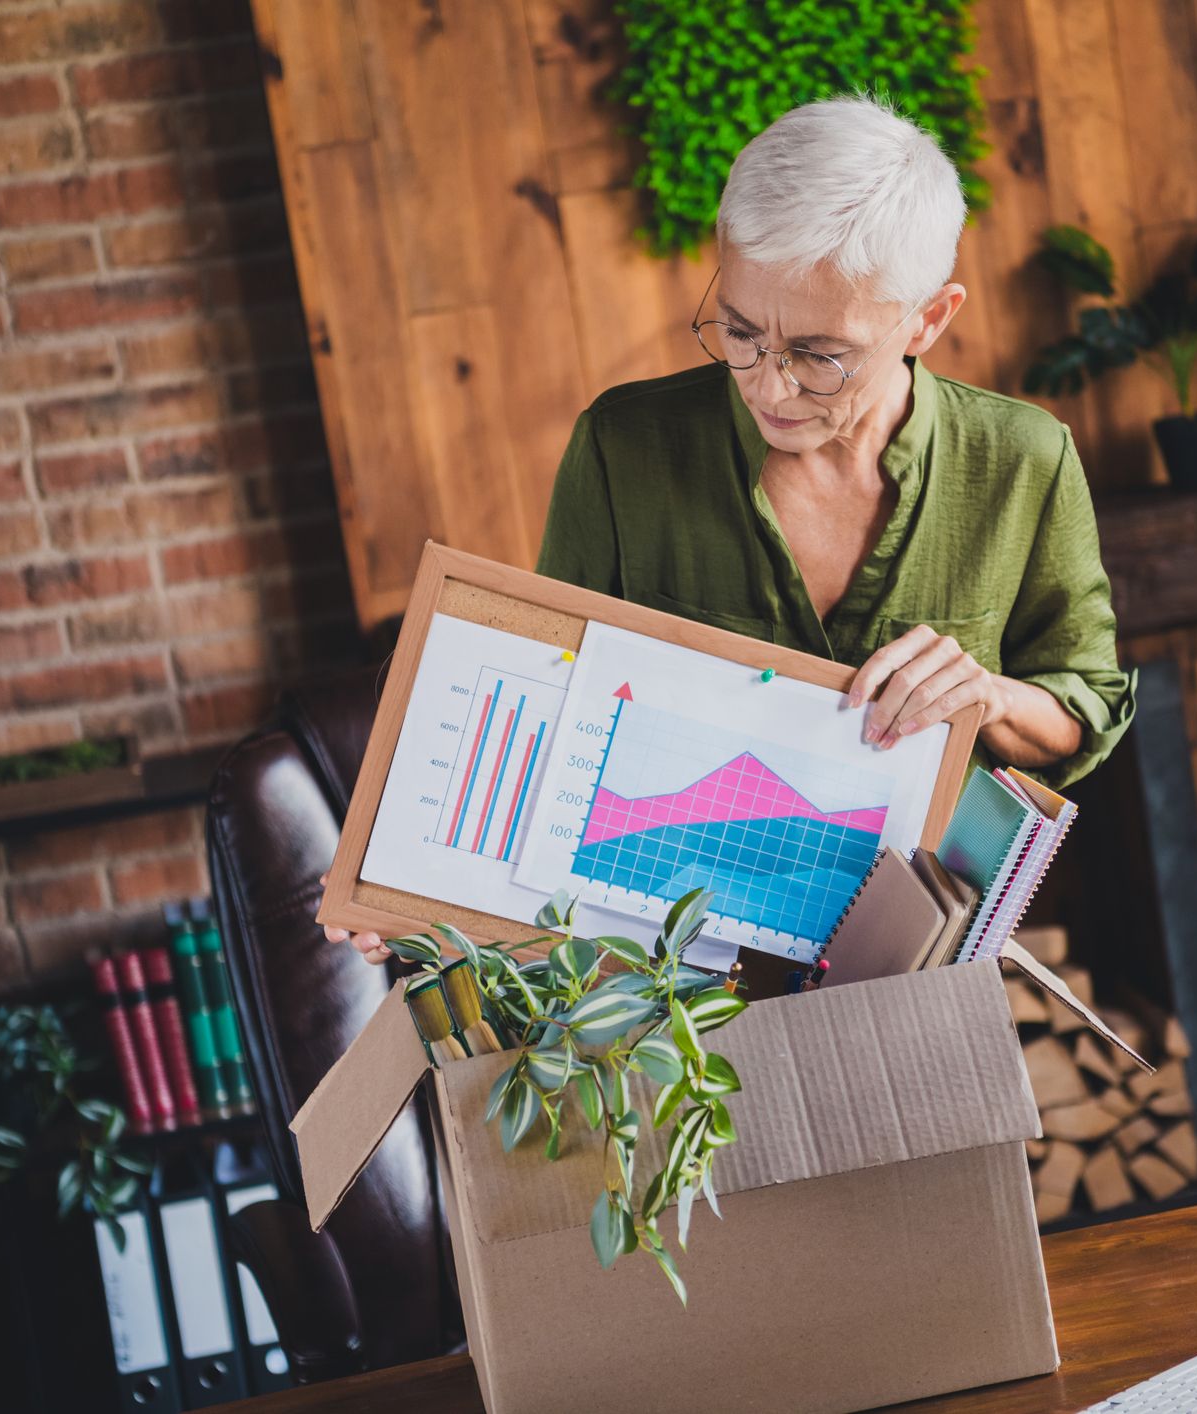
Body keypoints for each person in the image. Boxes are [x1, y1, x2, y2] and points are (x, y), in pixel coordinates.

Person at [331, 94, 1133, 965]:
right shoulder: (622, 450)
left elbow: (1084, 705)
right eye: (741, 331)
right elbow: (546, 700)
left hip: (909, 982)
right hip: (663, 991)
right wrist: (409, 893)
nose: (767, 386)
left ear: (928, 320)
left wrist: (991, 698)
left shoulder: (1023, 461)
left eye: (821, 355)